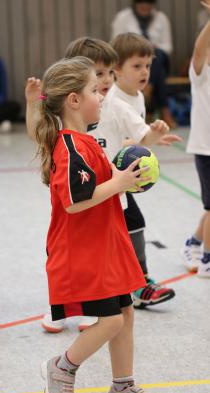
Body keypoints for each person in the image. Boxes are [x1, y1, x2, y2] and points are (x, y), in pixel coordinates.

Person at [26, 56, 156, 393]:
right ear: (74, 100)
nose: (102, 96)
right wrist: (119, 183)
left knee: (125, 312)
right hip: (83, 251)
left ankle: (123, 386)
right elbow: (75, 201)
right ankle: (62, 367)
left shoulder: (86, 142)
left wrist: (126, 176)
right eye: (95, 90)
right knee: (111, 320)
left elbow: (101, 183)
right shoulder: (68, 146)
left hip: (105, 245)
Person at [94, 33, 182, 307]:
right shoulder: (111, 97)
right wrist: (143, 140)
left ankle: (137, 283)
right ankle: (131, 284)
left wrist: (152, 139)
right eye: (137, 66)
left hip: (118, 179)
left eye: (148, 65)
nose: (145, 72)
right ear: (116, 70)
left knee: (132, 223)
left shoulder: (137, 98)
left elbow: (132, 138)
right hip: (105, 177)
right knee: (121, 227)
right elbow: (117, 139)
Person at [111, 0, 175, 128]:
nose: (145, 5)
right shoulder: (122, 18)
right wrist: (135, 48)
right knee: (155, 68)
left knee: (156, 55)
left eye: (148, 2)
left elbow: (168, 47)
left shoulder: (161, 18)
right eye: (141, 2)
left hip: (158, 58)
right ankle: (163, 109)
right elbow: (115, 44)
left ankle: (148, 90)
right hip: (129, 56)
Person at [182, 0, 210, 277]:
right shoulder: (200, 74)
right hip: (206, 150)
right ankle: (207, 260)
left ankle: (194, 242)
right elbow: (199, 50)